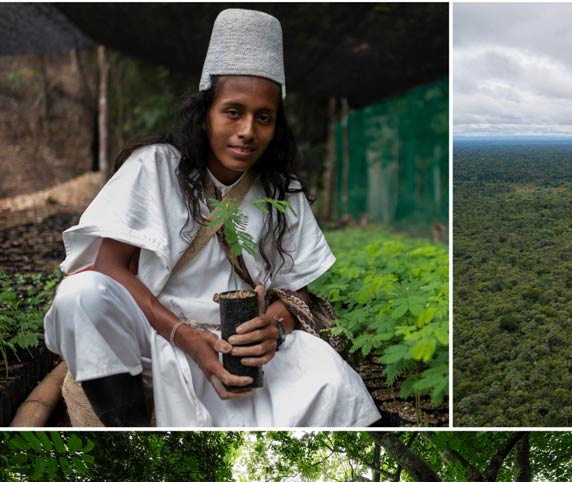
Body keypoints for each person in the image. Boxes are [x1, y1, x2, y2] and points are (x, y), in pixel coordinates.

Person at [44, 8, 381, 427]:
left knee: (331, 380)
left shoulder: (283, 190)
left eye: (264, 117)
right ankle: (129, 429)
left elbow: (297, 295)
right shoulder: (155, 166)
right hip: (155, 334)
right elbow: (110, 268)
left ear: (276, 125)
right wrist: (185, 335)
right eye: (233, 112)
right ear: (205, 113)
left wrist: (271, 332)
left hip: (236, 349)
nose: (247, 131)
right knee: (83, 295)